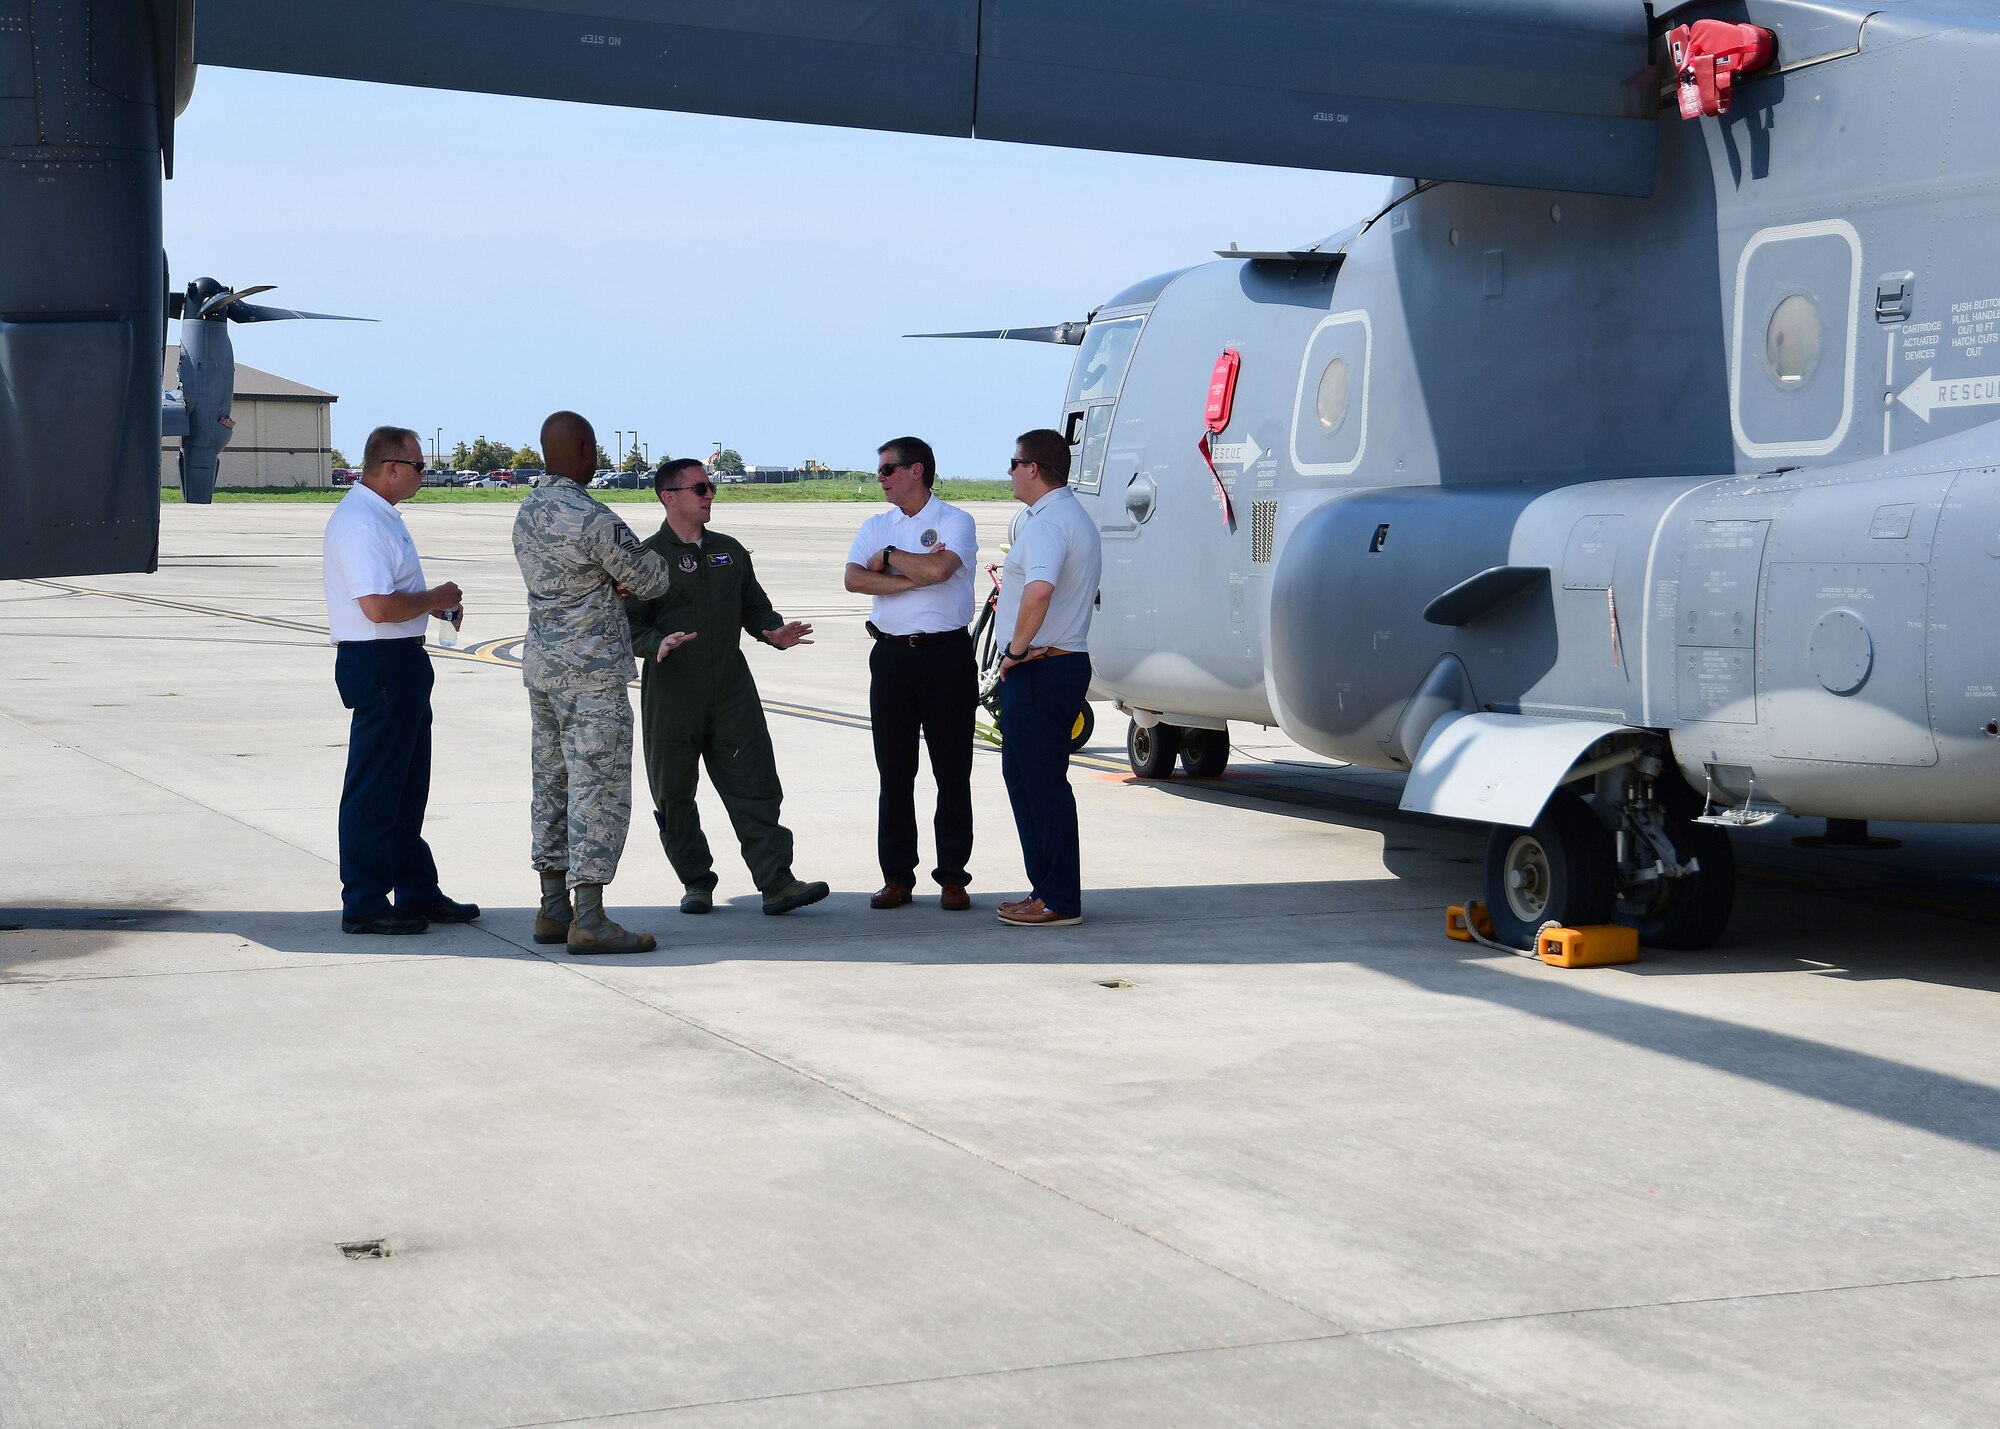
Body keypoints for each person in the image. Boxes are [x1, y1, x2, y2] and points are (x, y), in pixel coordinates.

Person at [624, 458, 829, 917]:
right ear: (669, 496)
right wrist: (658, 642)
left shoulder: (730, 551)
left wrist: (773, 632)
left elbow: (755, 608)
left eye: (710, 487)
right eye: (699, 488)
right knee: (674, 795)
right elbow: (627, 626)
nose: (709, 495)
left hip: (732, 691)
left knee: (755, 785)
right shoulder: (646, 558)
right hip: (673, 695)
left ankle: (777, 883)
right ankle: (696, 882)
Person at [513, 410, 685, 955]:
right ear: (587, 450)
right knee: (598, 790)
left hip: (544, 671)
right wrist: (620, 579)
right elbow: (653, 577)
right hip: (590, 676)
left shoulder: (528, 511)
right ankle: (589, 916)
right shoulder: (591, 517)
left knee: (552, 785)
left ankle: (551, 907)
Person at [321, 425, 479, 935]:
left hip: (399, 660)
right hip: (380, 661)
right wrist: (435, 598)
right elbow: (378, 608)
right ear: (392, 467)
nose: (424, 475)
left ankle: (414, 888)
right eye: (418, 466)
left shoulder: (380, 516)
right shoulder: (362, 524)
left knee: (408, 786)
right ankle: (364, 900)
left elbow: (391, 600)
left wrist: (431, 608)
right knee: (376, 788)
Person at [843, 436, 978, 911]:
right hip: (893, 658)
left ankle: (953, 877)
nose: (879, 479)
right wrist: (908, 572)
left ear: (915, 471)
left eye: (886, 470)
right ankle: (898, 877)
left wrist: (892, 558)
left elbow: (941, 569)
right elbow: (855, 579)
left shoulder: (955, 520)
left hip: (946, 657)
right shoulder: (876, 523)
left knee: (952, 770)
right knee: (895, 773)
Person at [993, 428, 1102, 928]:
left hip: (1041, 667)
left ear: (1033, 468)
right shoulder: (1068, 516)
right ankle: (1046, 891)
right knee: (1029, 780)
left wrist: (1014, 651)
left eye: (1013, 463)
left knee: (1040, 785)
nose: (1010, 472)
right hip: (1053, 666)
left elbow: (1038, 592)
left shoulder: (1045, 524)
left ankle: (1057, 899)